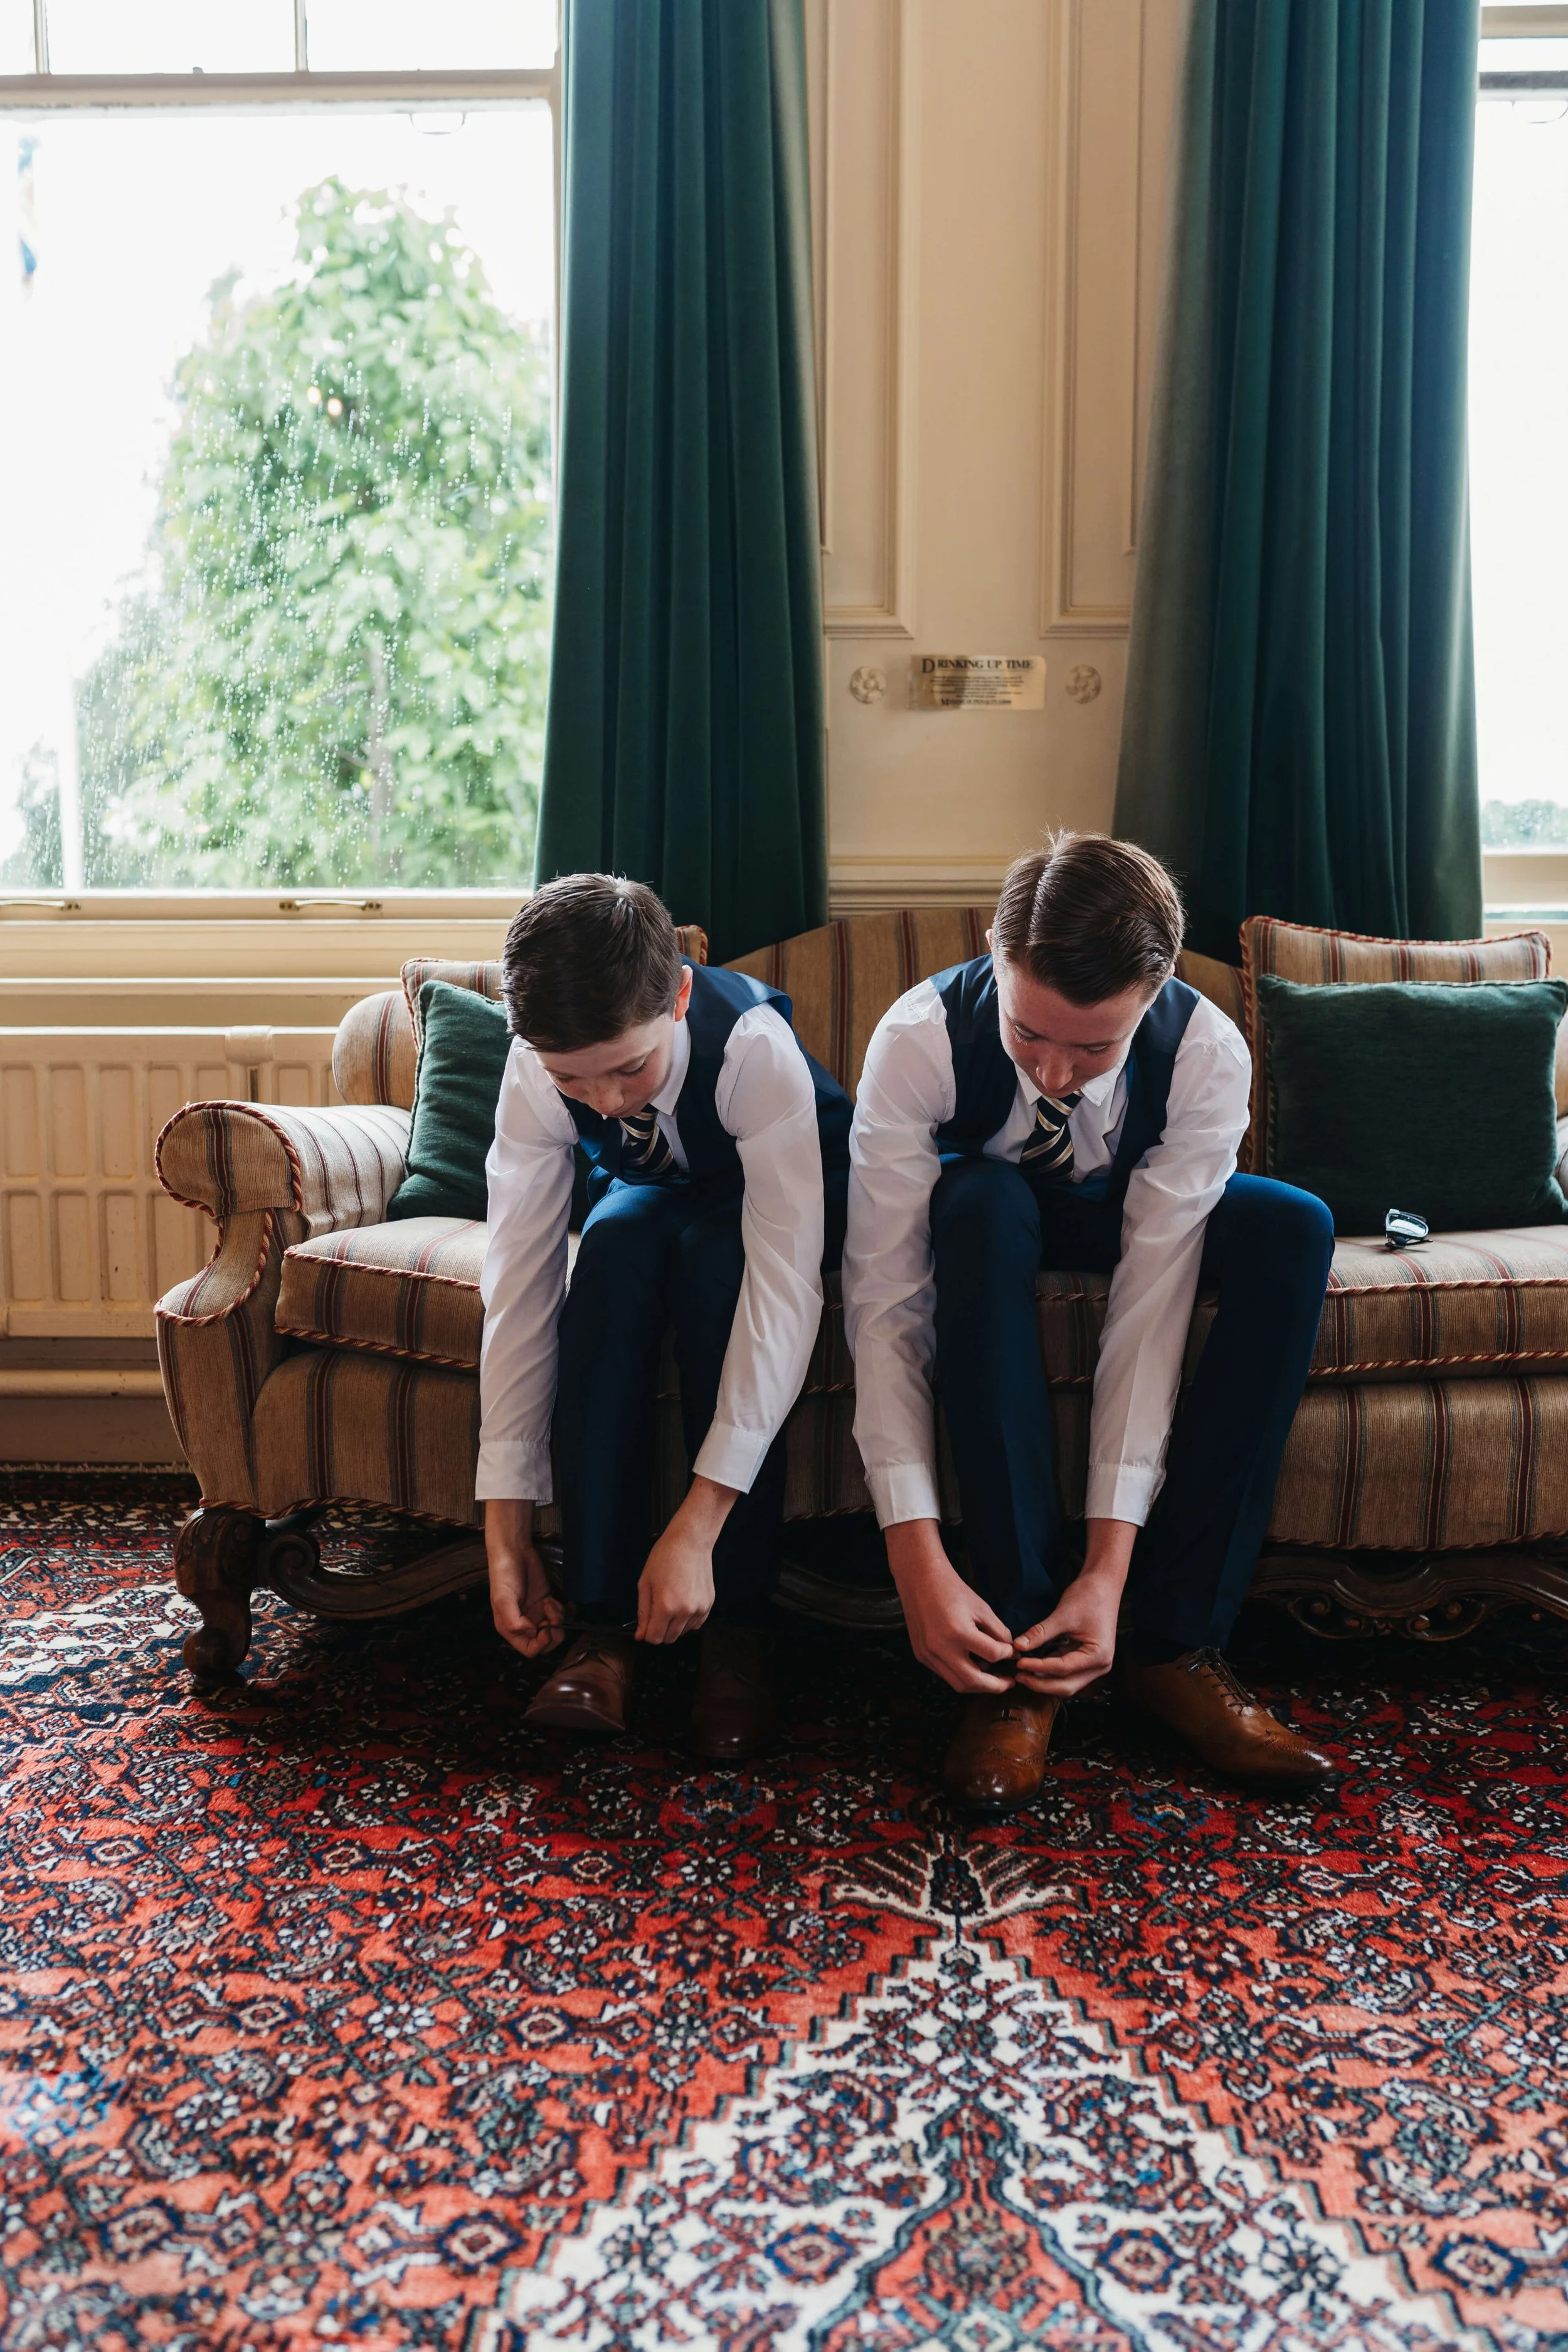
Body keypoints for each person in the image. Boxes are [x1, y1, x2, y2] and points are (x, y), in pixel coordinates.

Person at [842, 832, 1337, 1813]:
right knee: (980, 1204)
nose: (1057, 1071)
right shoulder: (918, 1038)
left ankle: (1168, 1645)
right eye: (1031, 1034)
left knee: (1294, 1227)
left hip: (1136, 1216)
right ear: (996, 952)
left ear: (1152, 996)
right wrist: (913, 1550)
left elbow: (1151, 1305)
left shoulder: (1205, 1051)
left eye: (1095, 1045)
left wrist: (1109, 1565)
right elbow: (886, 1301)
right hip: (990, 1221)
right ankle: (1024, 1655)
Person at [479, 872, 850, 1761]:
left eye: (630, 1068)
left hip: (780, 1206)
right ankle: (600, 1630)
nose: (606, 1101)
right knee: (608, 1249)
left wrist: (699, 1522)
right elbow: (520, 1284)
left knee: (719, 1265)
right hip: (652, 1192)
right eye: (576, 1079)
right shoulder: (536, 1063)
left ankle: (740, 1635)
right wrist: (505, 1532)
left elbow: (785, 1289)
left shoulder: (755, 1051)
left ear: (678, 995)